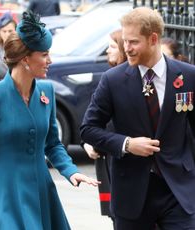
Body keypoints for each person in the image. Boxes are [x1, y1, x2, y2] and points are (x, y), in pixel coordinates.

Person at [0, 11, 99, 230]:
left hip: (41, 190)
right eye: (44, 54)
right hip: (5, 193)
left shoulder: (47, 91)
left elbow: (53, 144)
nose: (50, 60)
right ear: (25, 59)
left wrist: (71, 170)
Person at [80, 6, 195, 230]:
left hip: (179, 192)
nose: (127, 48)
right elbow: (88, 129)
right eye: (124, 41)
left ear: (153, 39)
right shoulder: (112, 80)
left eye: (133, 42)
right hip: (132, 194)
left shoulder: (188, 76)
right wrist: (127, 144)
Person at [82, 29, 126, 226]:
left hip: (119, 157)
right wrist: (88, 142)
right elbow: (93, 120)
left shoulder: (126, 80)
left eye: (112, 46)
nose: (108, 51)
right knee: (114, 214)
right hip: (105, 157)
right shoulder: (108, 78)